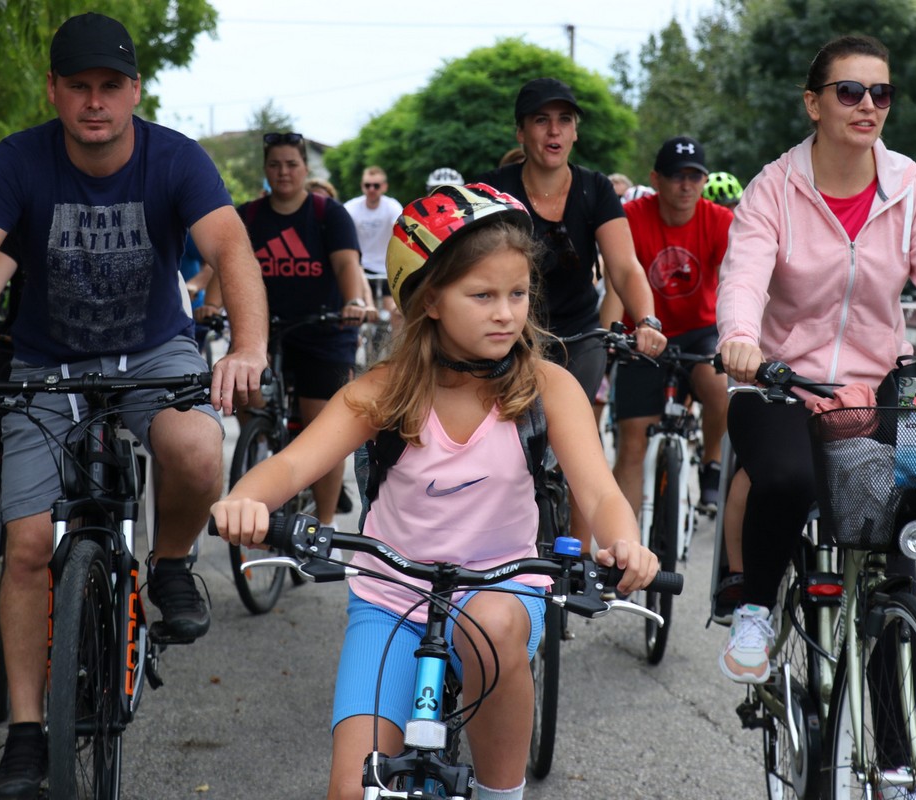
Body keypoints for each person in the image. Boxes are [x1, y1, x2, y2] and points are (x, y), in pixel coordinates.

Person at [0, 14, 269, 799]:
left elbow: (230, 248)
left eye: (111, 86)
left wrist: (247, 348)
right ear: (54, 90)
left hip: (155, 352)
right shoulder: (18, 160)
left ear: (135, 91)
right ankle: (26, 732)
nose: (95, 102)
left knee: (197, 450)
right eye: (79, 86)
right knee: (27, 543)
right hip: (49, 364)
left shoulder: (176, 158)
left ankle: (170, 565)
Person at [211, 183, 658, 800]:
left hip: (502, 587)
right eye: (482, 295)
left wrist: (625, 542)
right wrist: (246, 499)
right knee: (353, 790)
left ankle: (502, 793)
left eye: (518, 294)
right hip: (391, 596)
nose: (506, 313)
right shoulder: (385, 389)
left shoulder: (548, 387)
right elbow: (290, 467)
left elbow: (600, 493)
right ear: (429, 301)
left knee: (491, 621)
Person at [715, 35, 916, 689]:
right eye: (850, 91)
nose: (868, 105)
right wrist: (740, 338)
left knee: (907, 520)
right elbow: (743, 276)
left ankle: (894, 730)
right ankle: (755, 609)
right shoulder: (774, 189)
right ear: (813, 104)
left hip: (878, 389)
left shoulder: (912, 188)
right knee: (788, 480)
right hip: (781, 384)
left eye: (881, 93)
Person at [478, 76, 666, 553]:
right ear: (521, 132)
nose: (553, 130)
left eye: (564, 120)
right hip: (510, 335)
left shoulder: (595, 188)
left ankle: (576, 565)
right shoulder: (493, 189)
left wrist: (646, 320)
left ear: (575, 131)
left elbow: (624, 266)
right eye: (541, 120)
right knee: (498, 443)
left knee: (578, 446)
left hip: (579, 336)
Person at [235, 130, 373, 525]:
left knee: (322, 428)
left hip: (324, 330)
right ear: (265, 169)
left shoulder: (328, 213)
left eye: (291, 164)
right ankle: (263, 443)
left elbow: (346, 264)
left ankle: (325, 525)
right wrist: (210, 303)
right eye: (275, 164)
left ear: (305, 168)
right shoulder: (248, 215)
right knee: (242, 389)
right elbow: (227, 265)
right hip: (266, 331)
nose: (283, 172)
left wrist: (353, 301)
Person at [603, 136, 733, 517]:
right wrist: (608, 337)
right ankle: (625, 537)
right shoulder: (630, 217)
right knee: (632, 443)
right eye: (677, 176)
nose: (686, 185)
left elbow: (735, 283)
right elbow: (616, 284)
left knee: (719, 386)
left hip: (699, 330)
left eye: (695, 176)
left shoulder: (720, 220)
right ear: (655, 179)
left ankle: (711, 463)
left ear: (704, 181)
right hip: (643, 335)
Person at [344, 165, 402, 317]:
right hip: (361, 268)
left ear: (384, 187)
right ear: (362, 186)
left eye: (376, 185)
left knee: (395, 312)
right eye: (367, 185)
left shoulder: (392, 206)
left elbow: (400, 232)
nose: (371, 189)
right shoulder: (351, 208)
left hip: (387, 268)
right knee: (360, 311)